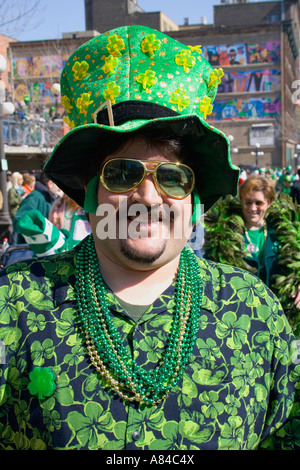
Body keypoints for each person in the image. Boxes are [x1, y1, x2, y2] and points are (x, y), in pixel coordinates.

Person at [0, 25, 299, 451]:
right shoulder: (15, 304)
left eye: (173, 178)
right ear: (90, 195)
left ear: (193, 201)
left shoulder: (253, 311)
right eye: (122, 174)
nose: (147, 196)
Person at [204, 175, 300, 335]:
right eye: (248, 202)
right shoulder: (224, 233)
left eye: (259, 203)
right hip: (240, 317)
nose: (253, 208)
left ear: (268, 203)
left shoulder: (284, 231)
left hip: (281, 316)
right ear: (241, 201)